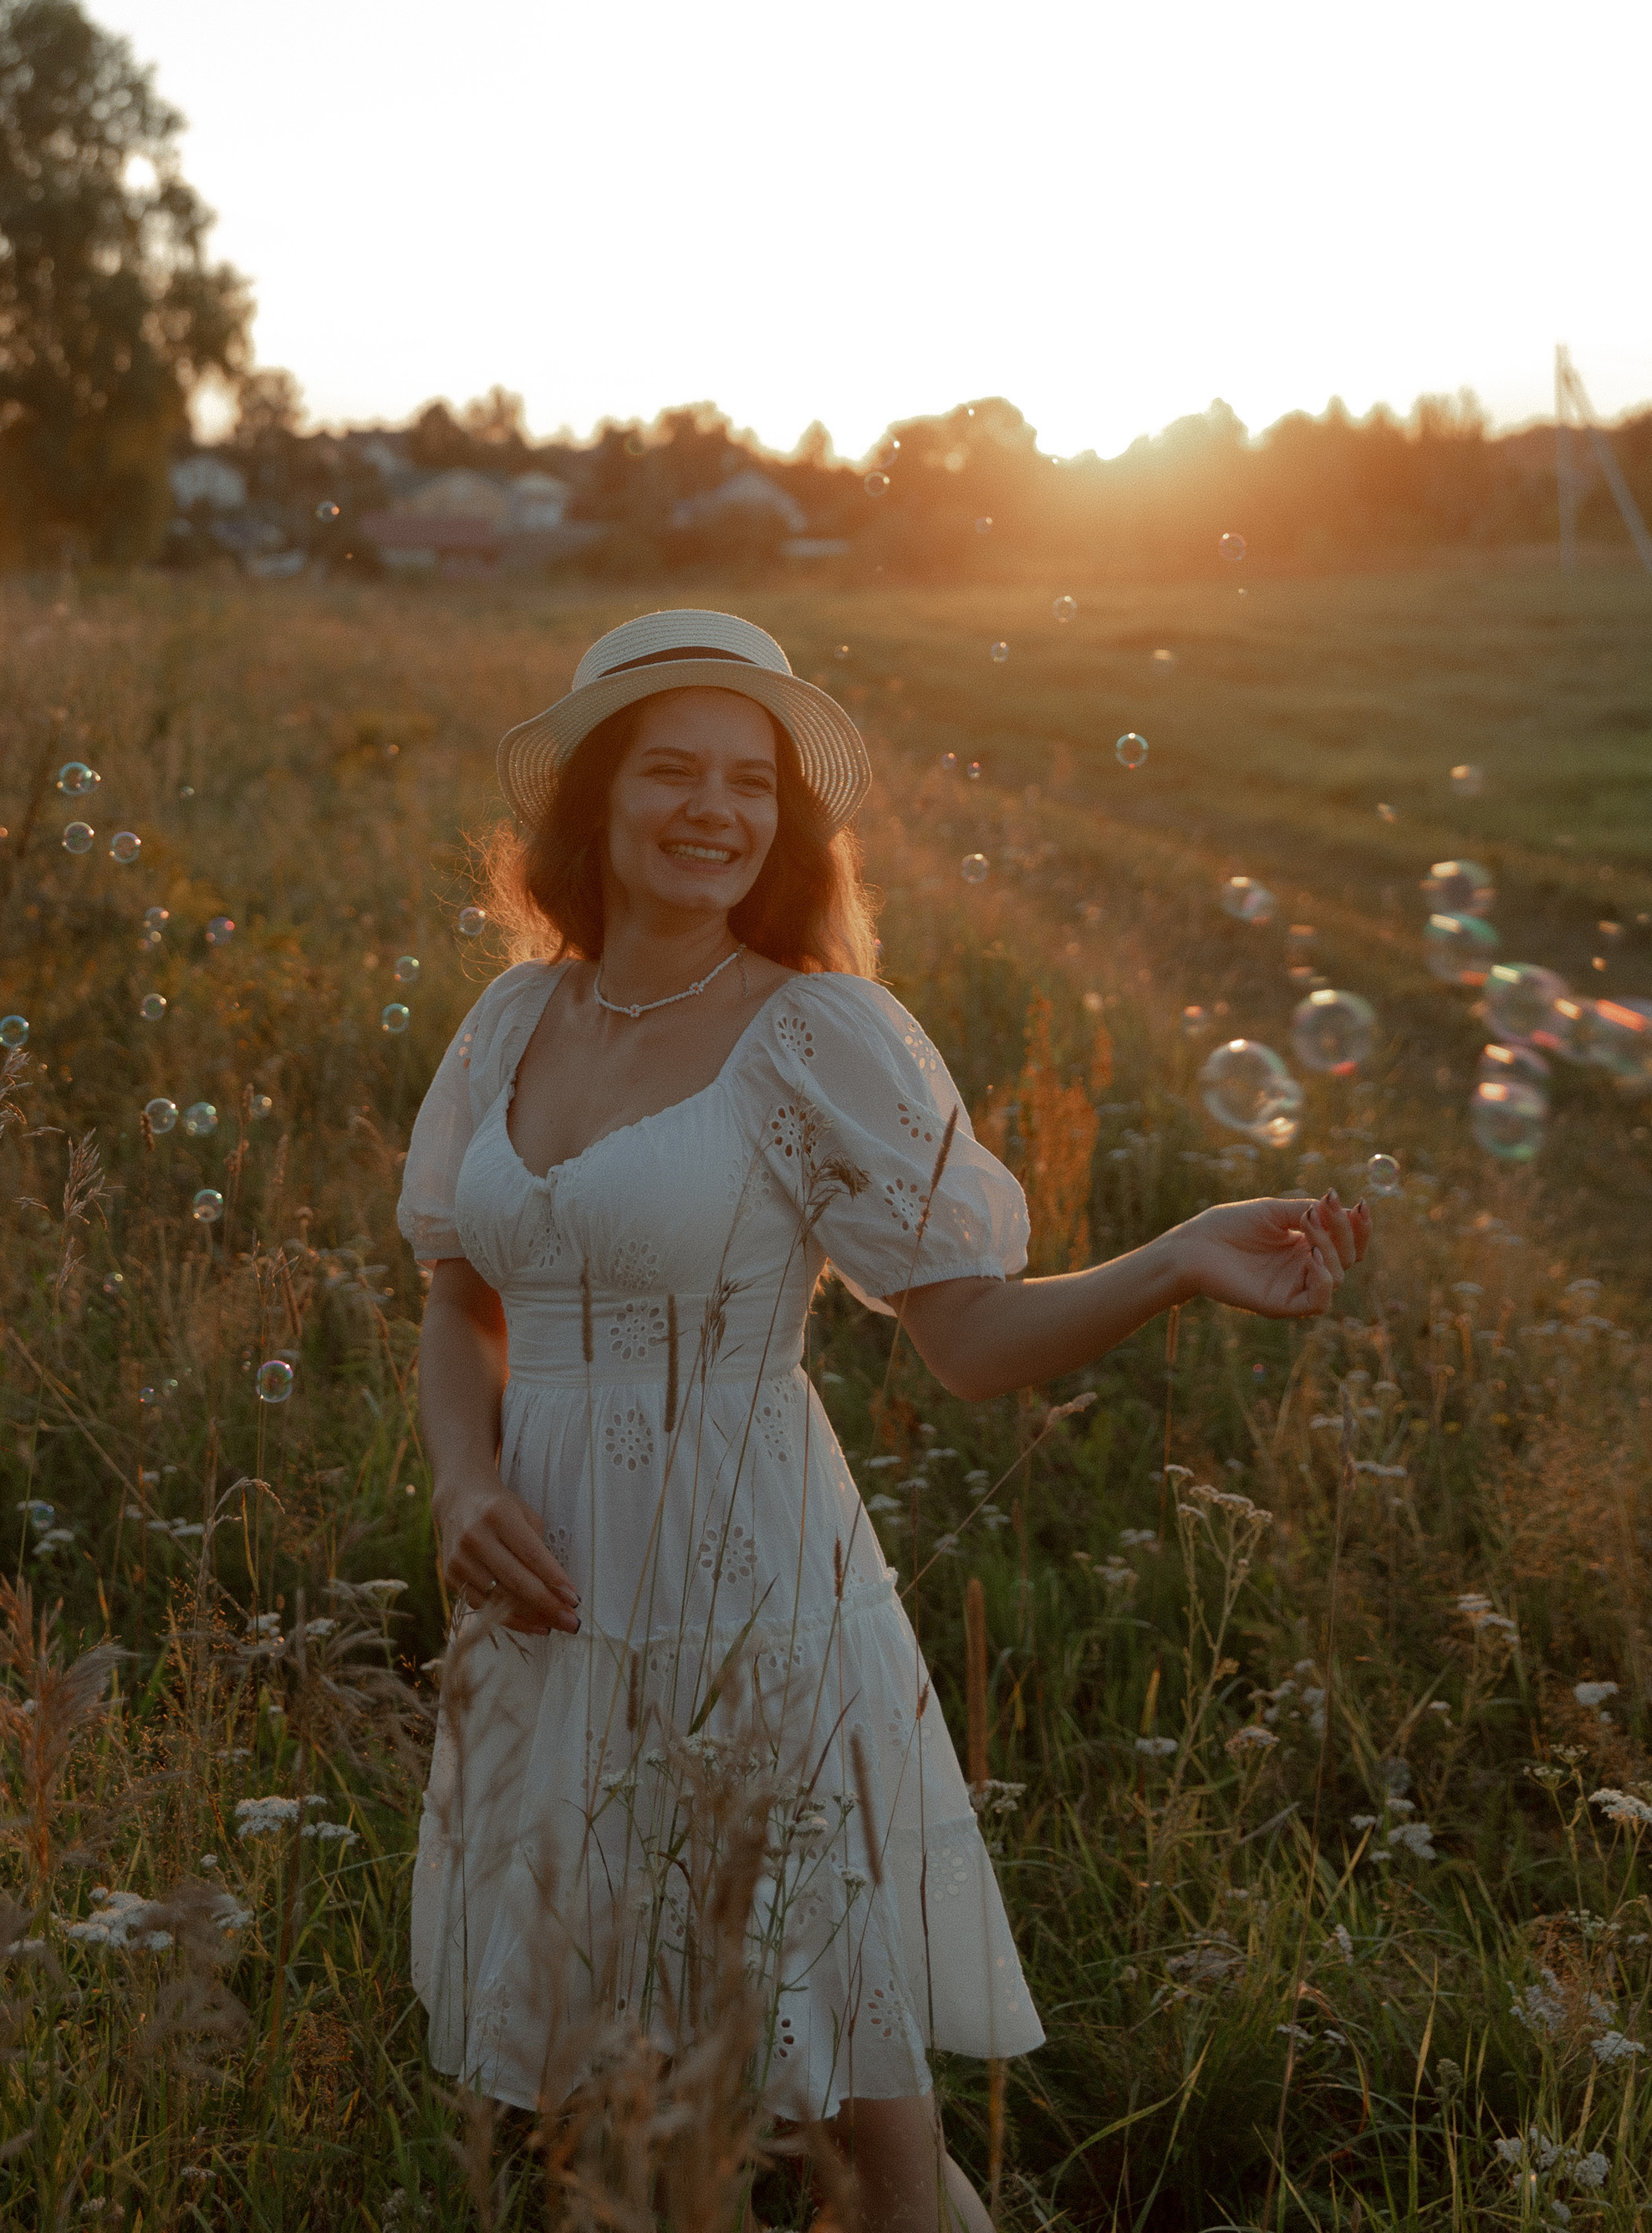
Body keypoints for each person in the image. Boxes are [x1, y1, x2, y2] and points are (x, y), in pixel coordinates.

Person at [399, 609, 1369, 2233]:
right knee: (573, 2100)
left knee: (853, 2104)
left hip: (748, 1589)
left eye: (748, 785)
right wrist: (456, 1485)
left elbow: (967, 1340)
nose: (714, 810)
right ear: (593, 800)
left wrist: (1170, 1262)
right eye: (671, 773)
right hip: (546, 1592)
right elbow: (456, 1300)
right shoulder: (510, 1022)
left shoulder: (814, 1032)